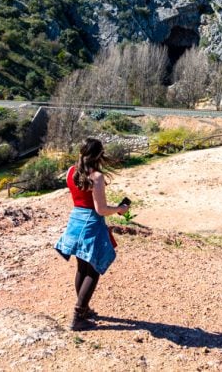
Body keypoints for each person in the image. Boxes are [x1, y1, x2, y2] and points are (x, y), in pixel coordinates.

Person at [54, 137, 130, 331]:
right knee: (93, 270)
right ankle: (78, 316)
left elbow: (79, 196)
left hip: (75, 221)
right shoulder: (96, 177)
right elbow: (101, 209)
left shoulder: (71, 172)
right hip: (91, 224)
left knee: (82, 267)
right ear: (98, 154)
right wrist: (120, 209)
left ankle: (84, 310)